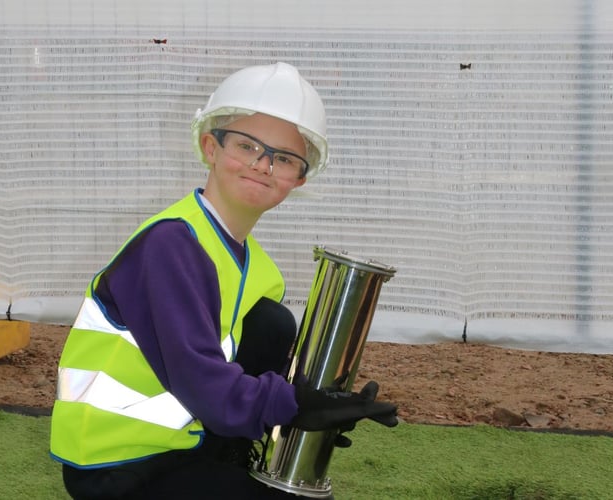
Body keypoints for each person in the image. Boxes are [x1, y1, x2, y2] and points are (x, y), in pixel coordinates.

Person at [49, 61, 398, 500]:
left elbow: (245, 364)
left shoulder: (259, 269)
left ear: (299, 179)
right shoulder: (170, 243)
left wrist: (313, 407)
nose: (263, 165)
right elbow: (200, 378)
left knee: (271, 323)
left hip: (190, 443)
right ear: (210, 147)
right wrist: (294, 408)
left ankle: (228, 457)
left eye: (284, 158)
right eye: (248, 146)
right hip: (117, 463)